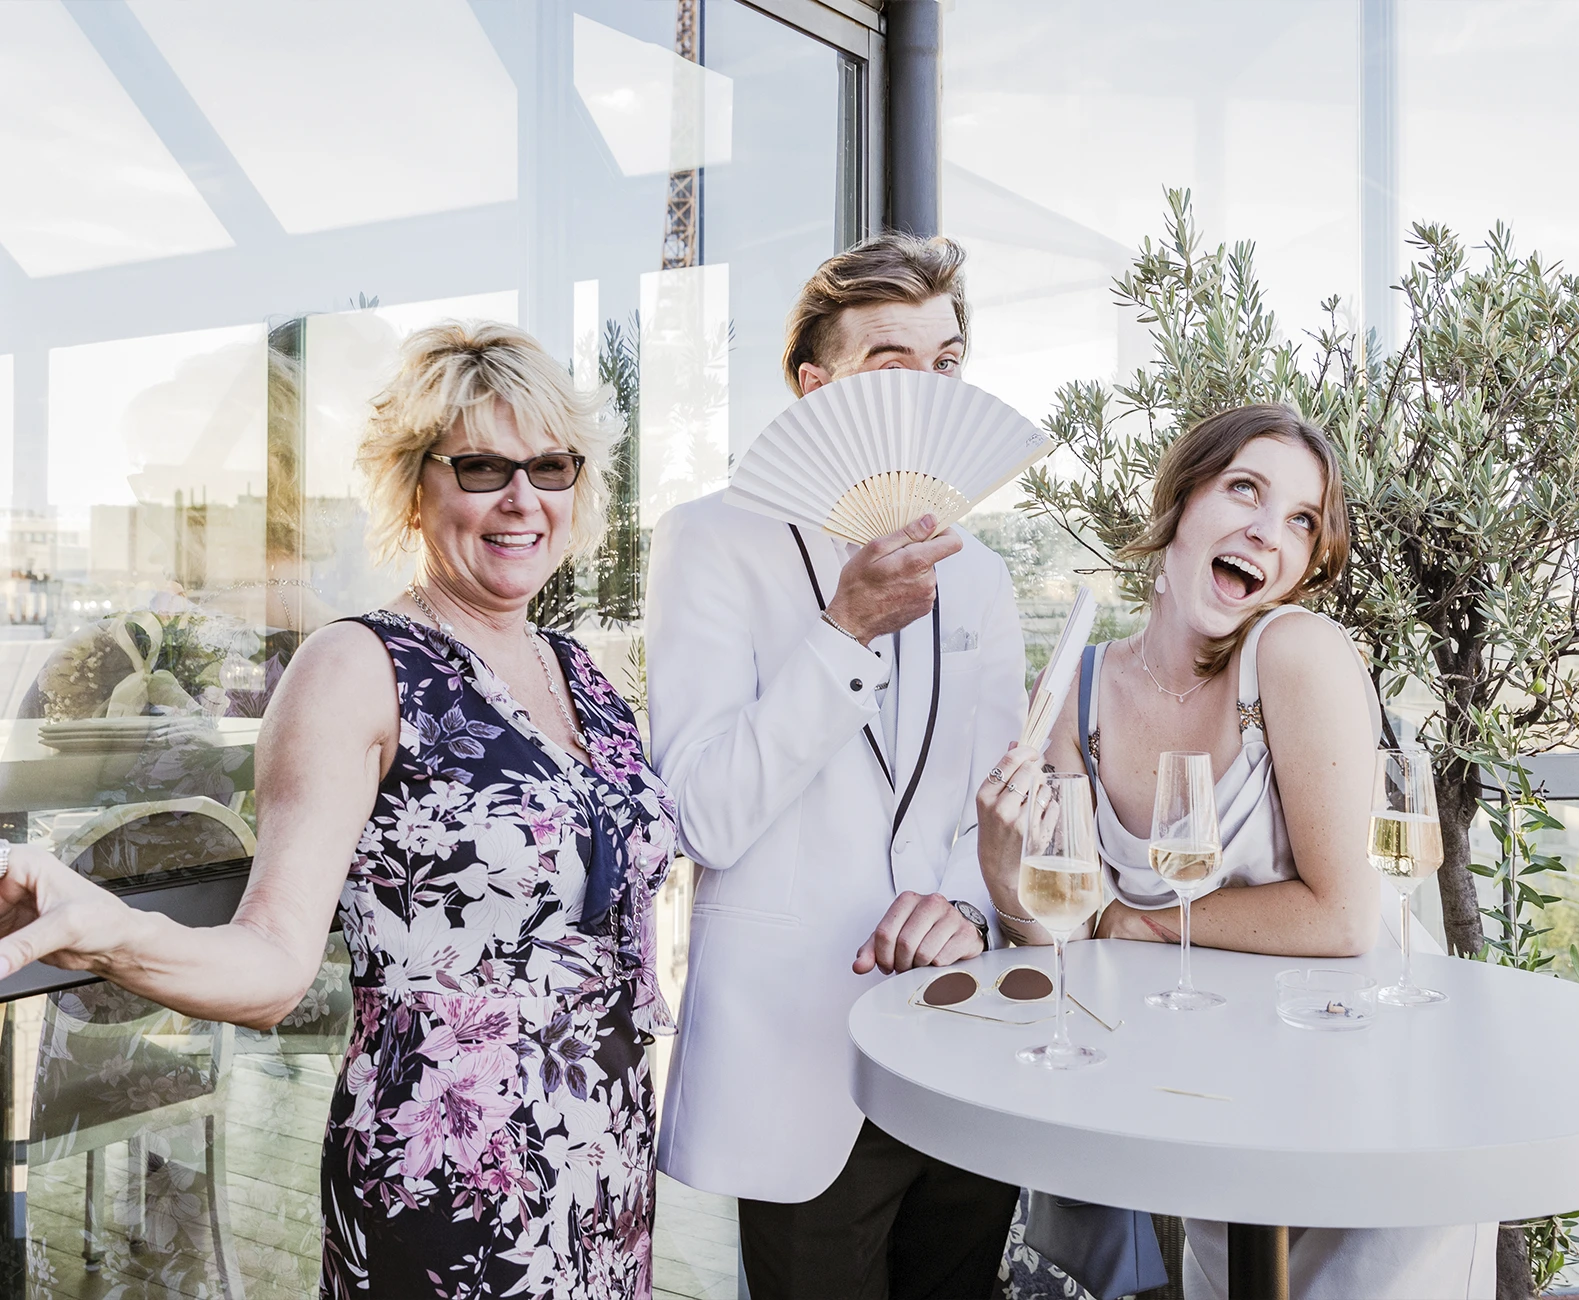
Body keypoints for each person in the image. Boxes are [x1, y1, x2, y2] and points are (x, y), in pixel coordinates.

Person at [0, 322, 676, 1300]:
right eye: (482, 465)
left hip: (604, 1151)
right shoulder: (358, 666)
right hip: (448, 1176)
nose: (523, 498)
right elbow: (274, 963)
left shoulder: (586, 675)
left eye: (552, 466)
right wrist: (110, 930)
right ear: (415, 485)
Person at [978, 404, 1496, 1299]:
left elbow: (1342, 921)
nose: (1268, 531)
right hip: (1220, 1111)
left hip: (1378, 1101)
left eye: (1302, 520)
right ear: (1181, 502)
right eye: (1244, 489)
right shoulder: (1077, 692)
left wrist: (1129, 923)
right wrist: (1005, 875)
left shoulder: (1297, 653)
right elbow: (1066, 940)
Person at [648, 232, 1027, 1299]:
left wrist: (960, 904)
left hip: (960, 1034)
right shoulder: (710, 543)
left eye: (947, 363)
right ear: (815, 388)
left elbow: (983, 804)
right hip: (795, 1052)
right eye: (891, 363)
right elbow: (705, 815)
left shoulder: (985, 577)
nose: (931, 390)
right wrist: (845, 629)